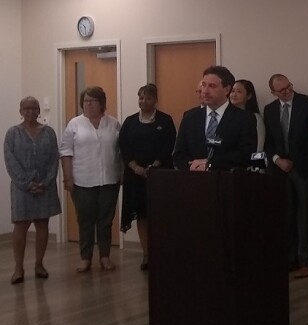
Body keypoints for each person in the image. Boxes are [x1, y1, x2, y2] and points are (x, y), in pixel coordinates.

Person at [263, 73, 308, 278]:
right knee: (285, 215)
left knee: (306, 215)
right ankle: (290, 259)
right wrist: (278, 160)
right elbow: (269, 141)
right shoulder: (269, 109)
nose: (287, 91)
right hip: (281, 168)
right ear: (273, 92)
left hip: (303, 166)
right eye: (282, 90)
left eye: (289, 86)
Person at [59, 86, 122, 273]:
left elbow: (121, 151)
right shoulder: (74, 124)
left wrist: (122, 173)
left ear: (101, 103)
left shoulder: (113, 124)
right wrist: (68, 177)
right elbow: (65, 152)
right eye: (85, 101)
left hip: (109, 180)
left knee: (105, 221)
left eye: (92, 101)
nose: (88, 104)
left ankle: (105, 256)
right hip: (82, 181)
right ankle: (85, 258)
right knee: (85, 220)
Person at [118, 84, 176, 271]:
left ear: (155, 100)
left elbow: (169, 146)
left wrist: (154, 166)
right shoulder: (130, 122)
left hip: (159, 176)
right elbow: (124, 147)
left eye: (148, 98)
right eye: (141, 98)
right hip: (135, 176)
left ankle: (163, 253)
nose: (144, 101)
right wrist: (135, 167)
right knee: (141, 215)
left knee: (160, 214)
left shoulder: (165, 121)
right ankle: (146, 254)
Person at [4, 97, 61, 284]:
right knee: (21, 225)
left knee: (42, 224)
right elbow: (10, 162)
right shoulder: (12, 134)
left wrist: (45, 182)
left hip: (45, 186)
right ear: (21, 110)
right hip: (22, 189)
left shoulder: (48, 133)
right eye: (26, 108)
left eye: (34, 108)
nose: (30, 111)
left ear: (39, 111)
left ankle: (39, 264)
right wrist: (27, 183)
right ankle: (18, 268)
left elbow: (54, 159)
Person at [172, 65, 258, 171]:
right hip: (193, 181)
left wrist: (211, 165)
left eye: (212, 86)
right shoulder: (190, 117)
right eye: (203, 85)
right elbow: (178, 155)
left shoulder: (244, 119)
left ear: (226, 90)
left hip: (228, 182)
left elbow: (246, 154)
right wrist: (193, 167)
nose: (205, 91)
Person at [229, 79, 266, 152]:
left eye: (239, 92)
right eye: (232, 91)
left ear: (249, 96)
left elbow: (259, 146)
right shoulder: (226, 115)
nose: (234, 95)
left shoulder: (255, 118)